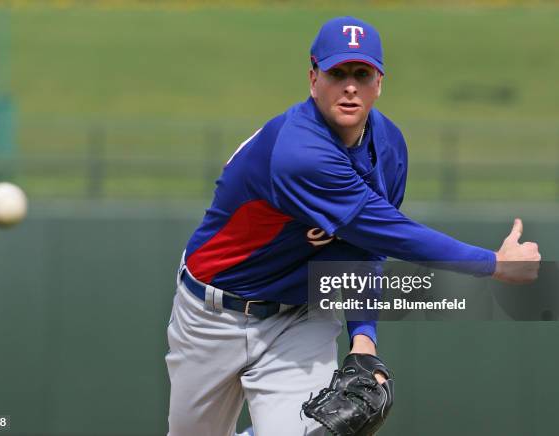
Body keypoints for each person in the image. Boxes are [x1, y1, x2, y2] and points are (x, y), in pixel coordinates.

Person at [165, 16, 540, 436]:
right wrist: (494, 264)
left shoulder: (390, 147)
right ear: (313, 78)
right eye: (337, 72)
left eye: (361, 74)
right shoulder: (299, 152)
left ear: (379, 82)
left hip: (301, 315)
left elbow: (366, 248)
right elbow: (395, 235)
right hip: (212, 313)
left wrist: (364, 339)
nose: (349, 86)